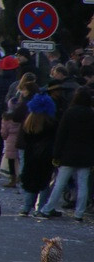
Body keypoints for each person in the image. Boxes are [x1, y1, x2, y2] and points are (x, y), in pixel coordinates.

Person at [37, 87, 94, 221]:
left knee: (59, 183)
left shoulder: (69, 113)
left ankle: (48, 208)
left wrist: (56, 154)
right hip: (86, 155)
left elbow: (61, 135)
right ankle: (79, 213)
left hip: (68, 154)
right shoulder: (91, 115)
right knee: (83, 185)